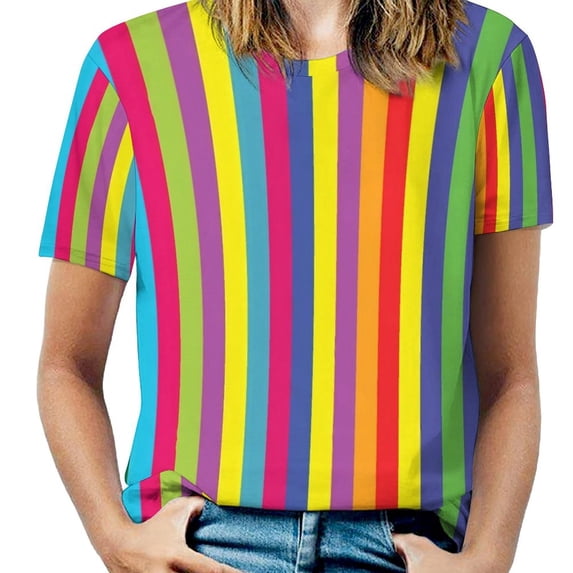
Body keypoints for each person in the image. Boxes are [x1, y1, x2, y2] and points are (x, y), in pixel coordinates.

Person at [36, 0, 553, 571]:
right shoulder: (131, 64)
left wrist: (489, 556)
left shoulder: (489, 57)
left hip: (407, 548)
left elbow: (510, 374)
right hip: (198, 544)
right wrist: (113, 537)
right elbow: (67, 362)